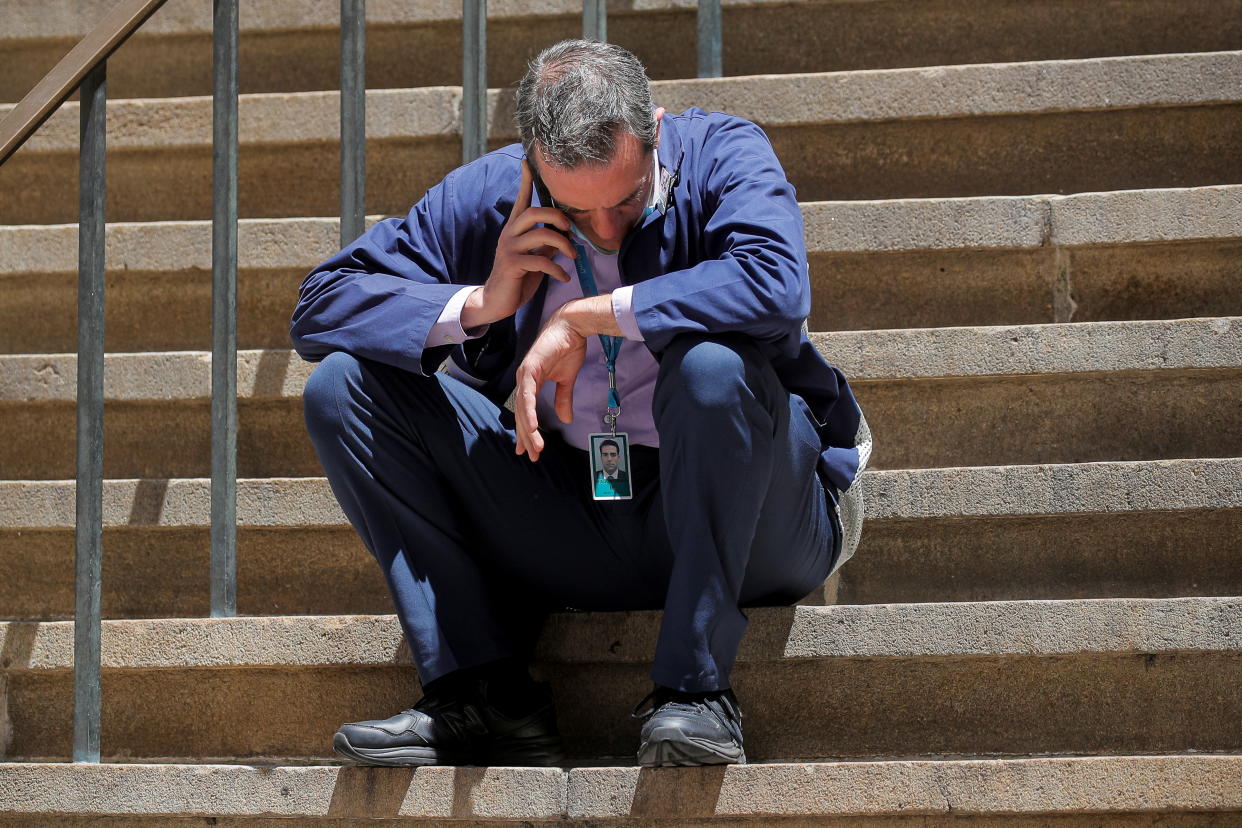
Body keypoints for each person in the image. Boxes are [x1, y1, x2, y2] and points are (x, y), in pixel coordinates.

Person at [291, 39, 870, 769]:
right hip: (575, 513)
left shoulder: (723, 152)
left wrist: (593, 314)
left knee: (713, 368)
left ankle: (696, 692)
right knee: (343, 388)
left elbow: (775, 284)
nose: (603, 228)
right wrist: (481, 301)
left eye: (626, 200)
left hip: (759, 525)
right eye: (575, 207)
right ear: (531, 161)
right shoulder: (494, 192)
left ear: (655, 129)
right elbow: (320, 305)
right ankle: (483, 694)